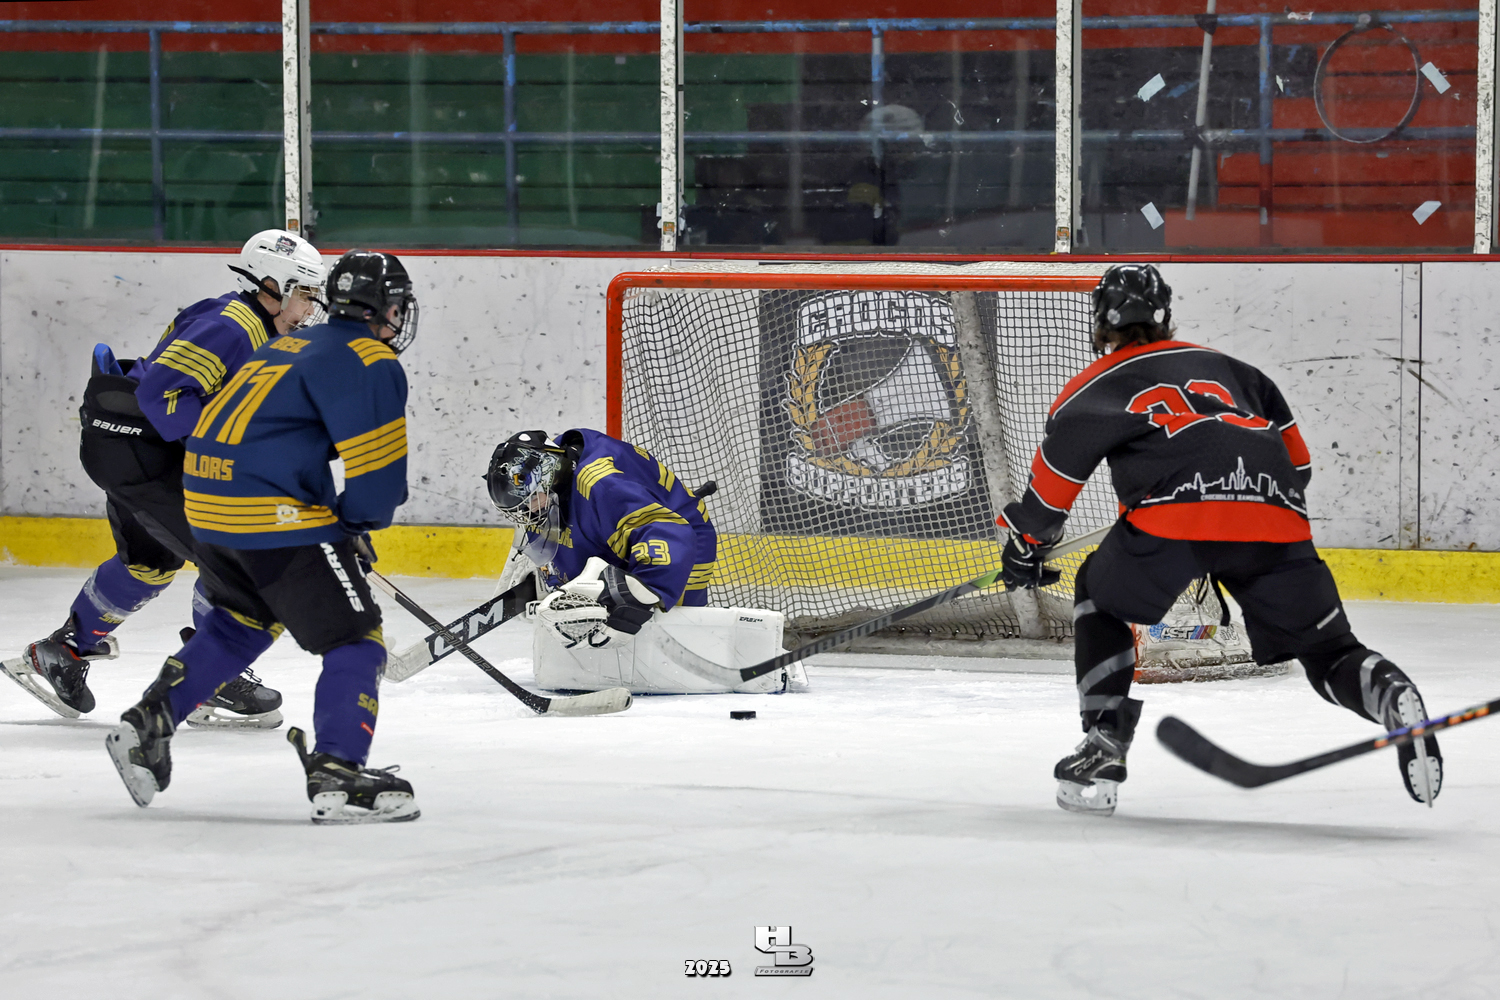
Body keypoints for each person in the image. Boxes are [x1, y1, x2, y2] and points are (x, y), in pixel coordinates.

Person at [998, 263, 1441, 816]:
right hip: (1274, 516)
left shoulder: (1091, 388)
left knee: (1099, 597)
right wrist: (1232, 497)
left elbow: (1046, 505)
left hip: (1172, 525)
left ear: (1100, 324)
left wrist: (1025, 547)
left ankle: (1104, 741)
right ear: (1166, 316)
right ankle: (1390, 692)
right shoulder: (1240, 373)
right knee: (1329, 651)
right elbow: (1299, 467)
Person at [105, 249, 420, 825]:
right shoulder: (370, 359)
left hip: (205, 507)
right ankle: (339, 773)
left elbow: (275, 442)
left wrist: (334, 522)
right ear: (387, 309)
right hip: (269, 514)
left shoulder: (288, 345)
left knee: (241, 622)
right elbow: (378, 484)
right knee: (356, 639)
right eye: (397, 307)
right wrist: (352, 525)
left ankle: (148, 723)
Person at [2, 230, 326, 727]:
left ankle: (62, 652)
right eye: (304, 293)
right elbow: (162, 394)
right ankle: (211, 676)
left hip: (135, 448)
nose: (310, 307)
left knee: (149, 563)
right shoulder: (232, 327)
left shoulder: (252, 327)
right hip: (138, 449)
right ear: (272, 285)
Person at [485, 429, 717, 645]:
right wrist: (551, 575)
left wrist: (638, 594)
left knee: (671, 633)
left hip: (682, 537)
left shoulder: (603, 486)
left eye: (533, 500)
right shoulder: (551, 472)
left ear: (550, 476)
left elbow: (670, 532)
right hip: (619, 527)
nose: (529, 510)